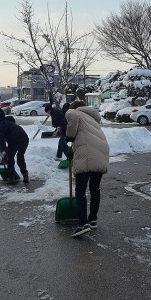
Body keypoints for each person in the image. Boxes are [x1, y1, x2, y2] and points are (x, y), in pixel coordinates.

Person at [65, 100, 109, 237]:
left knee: (80, 190)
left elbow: (72, 123)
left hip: (87, 155)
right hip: (101, 155)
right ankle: (93, 219)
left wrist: (69, 138)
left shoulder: (74, 112)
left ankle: (83, 223)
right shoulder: (92, 119)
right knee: (95, 189)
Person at [0, 116, 30, 184]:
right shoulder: (15, 126)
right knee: (20, 157)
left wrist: (2, 150)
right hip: (25, 140)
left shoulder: (4, 123)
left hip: (14, 141)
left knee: (10, 158)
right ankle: (25, 176)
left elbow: (1, 136)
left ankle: (11, 178)